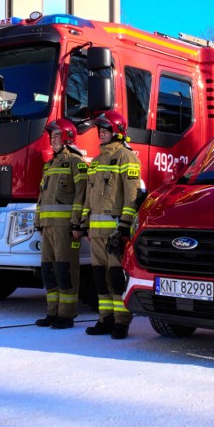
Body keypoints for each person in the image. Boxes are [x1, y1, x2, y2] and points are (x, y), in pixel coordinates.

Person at [79, 110, 140, 340]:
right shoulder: (95, 162)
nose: (101, 133)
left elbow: (132, 195)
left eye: (105, 130)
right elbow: (88, 196)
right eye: (99, 130)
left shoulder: (127, 157)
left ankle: (121, 322)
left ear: (117, 132)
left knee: (116, 278)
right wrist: (85, 224)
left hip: (115, 232)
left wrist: (124, 227)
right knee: (99, 278)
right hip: (95, 233)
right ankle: (105, 319)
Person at [35, 118, 88, 329]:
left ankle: (66, 315)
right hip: (48, 227)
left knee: (66, 269)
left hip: (65, 228)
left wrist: (77, 224)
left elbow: (81, 195)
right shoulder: (49, 165)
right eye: (51, 136)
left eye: (57, 136)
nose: (53, 140)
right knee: (48, 270)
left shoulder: (76, 162)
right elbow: (42, 196)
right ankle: (52, 312)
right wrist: (39, 222)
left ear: (67, 137)